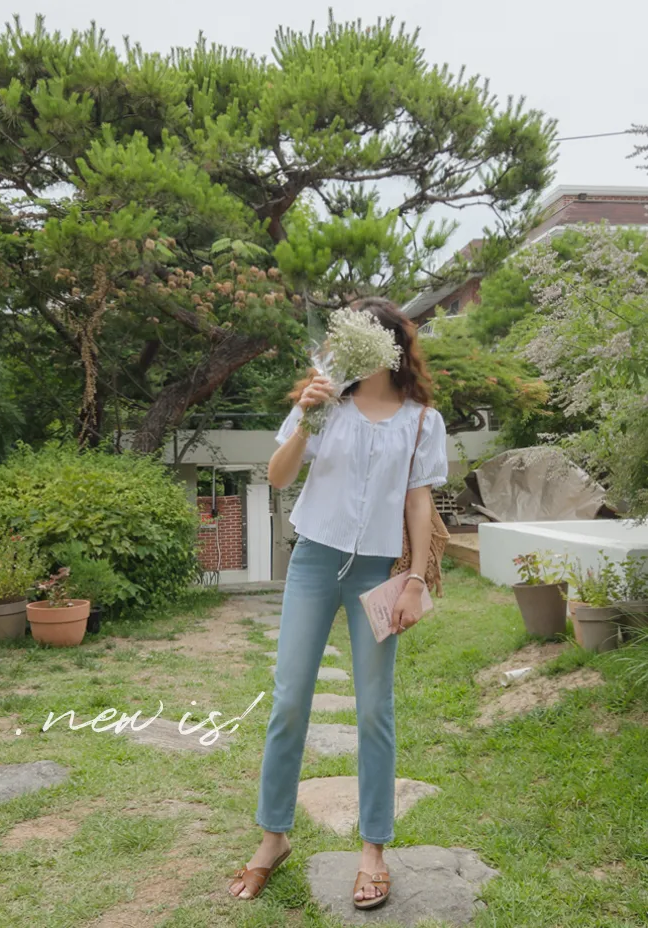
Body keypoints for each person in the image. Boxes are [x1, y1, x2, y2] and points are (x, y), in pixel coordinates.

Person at [229, 297, 449, 909]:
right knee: (289, 700)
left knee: (375, 709)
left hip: (378, 573)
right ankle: (273, 838)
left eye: (366, 338)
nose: (350, 350)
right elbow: (277, 477)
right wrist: (305, 416)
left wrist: (414, 580)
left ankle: (374, 849)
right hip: (314, 562)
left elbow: (419, 503)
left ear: (391, 346)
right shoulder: (325, 404)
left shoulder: (422, 421)